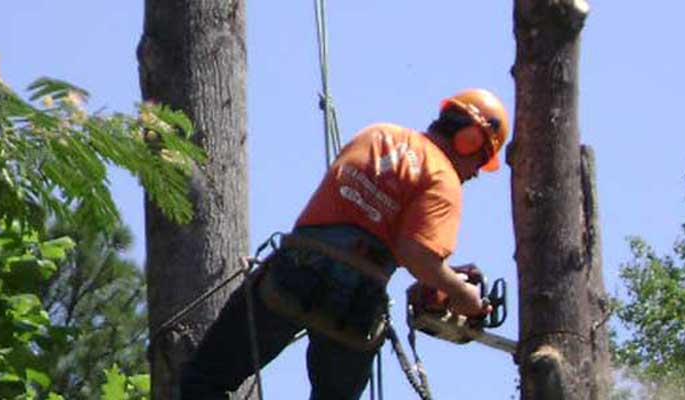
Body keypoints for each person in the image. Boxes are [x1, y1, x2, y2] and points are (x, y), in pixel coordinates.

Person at [179, 88, 510, 400]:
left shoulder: (378, 133)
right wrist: (461, 293)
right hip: (355, 304)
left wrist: (438, 279)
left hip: (295, 271)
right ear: (469, 140)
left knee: (205, 380)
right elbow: (418, 254)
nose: (475, 174)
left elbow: (373, 227)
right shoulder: (443, 178)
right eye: (480, 162)